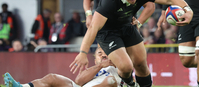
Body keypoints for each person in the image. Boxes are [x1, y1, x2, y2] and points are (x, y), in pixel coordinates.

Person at [70, 0, 193, 87]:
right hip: (107, 32)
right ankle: (129, 85)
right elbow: (93, 28)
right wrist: (83, 53)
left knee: (141, 64)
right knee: (126, 66)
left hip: (127, 27)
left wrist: (188, 10)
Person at [3, 46, 132, 87]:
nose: (103, 55)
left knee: (110, 81)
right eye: (99, 53)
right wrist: (99, 67)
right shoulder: (94, 70)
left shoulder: (119, 67)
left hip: (111, 83)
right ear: (95, 58)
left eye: (106, 53)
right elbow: (78, 81)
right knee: (52, 77)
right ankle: (21, 86)